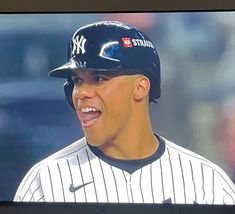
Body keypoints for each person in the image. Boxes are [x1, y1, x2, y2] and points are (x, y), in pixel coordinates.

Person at [14, 21, 235, 204]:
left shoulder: (206, 181)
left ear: (141, 87)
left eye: (98, 78)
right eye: (77, 81)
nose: (81, 93)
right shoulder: (45, 180)